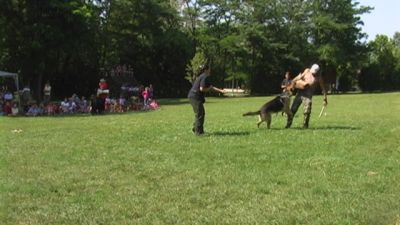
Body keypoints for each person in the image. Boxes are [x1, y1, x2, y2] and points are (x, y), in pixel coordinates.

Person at [285, 64, 328, 129]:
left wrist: (325, 98)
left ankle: (305, 125)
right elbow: (299, 78)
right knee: (293, 109)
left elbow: (323, 89)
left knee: (307, 111)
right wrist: (293, 83)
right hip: (300, 93)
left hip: (308, 96)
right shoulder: (307, 71)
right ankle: (288, 124)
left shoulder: (319, 78)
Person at [187, 64, 225, 135]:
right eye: (209, 69)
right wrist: (209, 89)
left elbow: (211, 87)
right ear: (206, 70)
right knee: (200, 114)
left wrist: (221, 91)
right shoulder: (204, 76)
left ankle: (196, 128)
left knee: (200, 113)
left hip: (193, 96)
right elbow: (202, 89)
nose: (210, 70)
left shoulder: (203, 76)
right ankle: (198, 132)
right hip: (195, 97)